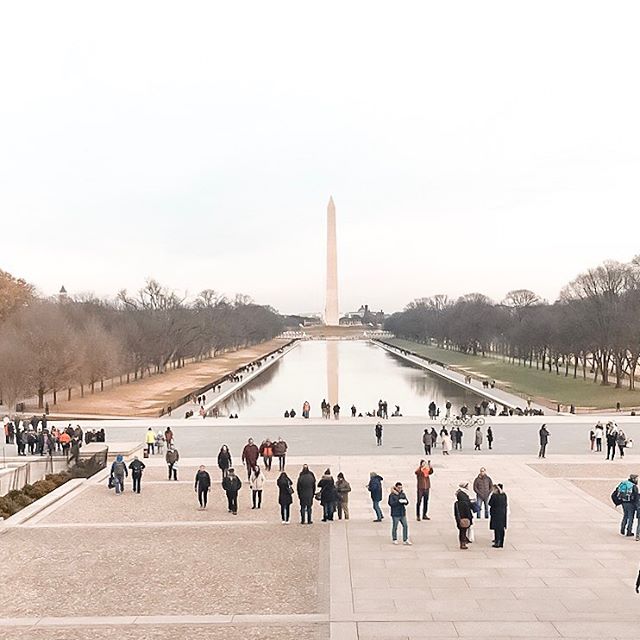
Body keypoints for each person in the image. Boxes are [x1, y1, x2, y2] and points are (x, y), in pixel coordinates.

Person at [454, 482, 474, 550]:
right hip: (465, 519)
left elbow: (456, 513)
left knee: (461, 531)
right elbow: (468, 512)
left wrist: (457, 520)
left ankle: (462, 542)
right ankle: (463, 543)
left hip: (459, 519)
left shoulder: (456, 503)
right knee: (463, 531)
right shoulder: (465, 503)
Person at [489, 483, 508, 548]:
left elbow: (490, 503)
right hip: (503, 513)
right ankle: (501, 542)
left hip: (496, 513)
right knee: (502, 528)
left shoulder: (494, 496)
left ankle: (497, 542)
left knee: (496, 528)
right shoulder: (504, 495)